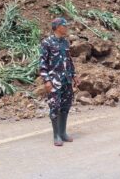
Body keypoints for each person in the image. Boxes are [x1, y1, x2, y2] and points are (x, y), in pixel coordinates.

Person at [39, 18, 80, 147]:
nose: (66, 27)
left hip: (66, 79)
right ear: (57, 27)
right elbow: (42, 63)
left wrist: (73, 75)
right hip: (54, 80)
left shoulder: (65, 43)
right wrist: (46, 80)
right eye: (64, 25)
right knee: (55, 106)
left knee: (65, 106)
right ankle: (56, 135)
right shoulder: (47, 43)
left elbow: (69, 61)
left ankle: (63, 133)